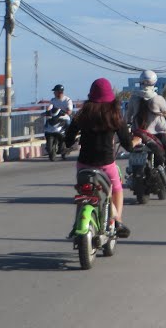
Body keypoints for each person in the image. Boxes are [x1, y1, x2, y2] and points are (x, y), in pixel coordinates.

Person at [64, 78, 133, 239]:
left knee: (83, 192)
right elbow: (127, 144)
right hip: (106, 165)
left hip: (84, 165)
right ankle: (117, 221)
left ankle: (78, 223)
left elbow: (68, 140)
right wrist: (133, 143)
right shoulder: (115, 116)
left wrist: (73, 142)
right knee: (116, 190)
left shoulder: (82, 114)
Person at [126, 71, 166, 180]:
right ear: (154, 82)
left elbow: (128, 117)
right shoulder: (158, 99)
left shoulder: (133, 98)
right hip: (158, 135)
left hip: (139, 135)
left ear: (140, 81)